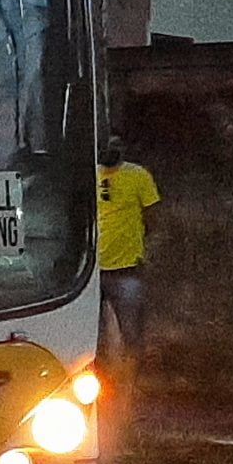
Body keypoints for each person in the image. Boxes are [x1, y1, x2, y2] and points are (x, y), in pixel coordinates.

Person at [96, 136, 161, 358]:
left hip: (127, 269)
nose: (109, 150)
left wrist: (148, 252)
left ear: (123, 149)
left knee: (132, 333)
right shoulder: (90, 175)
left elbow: (154, 218)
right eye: (104, 146)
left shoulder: (138, 175)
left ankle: (132, 383)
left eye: (114, 146)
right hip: (90, 273)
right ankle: (100, 380)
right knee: (93, 336)